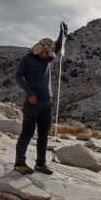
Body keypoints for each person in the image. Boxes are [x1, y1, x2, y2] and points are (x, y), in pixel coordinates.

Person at [13, 22, 67, 175]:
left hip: (47, 102)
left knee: (44, 133)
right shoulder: (27, 59)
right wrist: (30, 93)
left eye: (49, 53)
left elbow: (57, 47)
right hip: (32, 101)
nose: (48, 55)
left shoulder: (47, 59)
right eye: (46, 52)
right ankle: (19, 163)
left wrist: (61, 33)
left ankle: (40, 164)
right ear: (40, 49)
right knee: (28, 132)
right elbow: (18, 76)